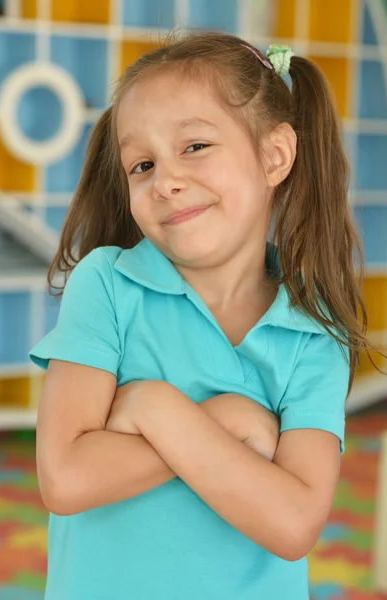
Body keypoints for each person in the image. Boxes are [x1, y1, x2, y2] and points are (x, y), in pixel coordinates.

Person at [29, 31, 383, 600]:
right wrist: (223, 420)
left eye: (194, 146)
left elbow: (292, 523)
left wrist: (150, 407)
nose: (164, 180)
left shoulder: (313, 335)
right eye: (141, 164)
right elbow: (66, 479)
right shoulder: (107, 285)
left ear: (275, 156)